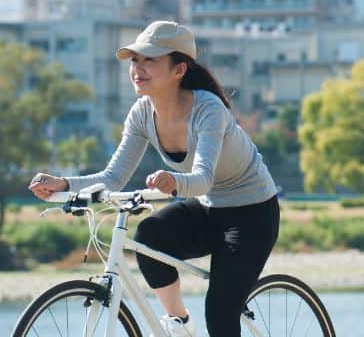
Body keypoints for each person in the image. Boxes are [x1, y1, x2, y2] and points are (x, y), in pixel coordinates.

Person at [28, 21, 280, 337]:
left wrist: (174, 180)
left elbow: (202, 178)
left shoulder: (208, 109)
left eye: (150, 60)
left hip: (252, 213)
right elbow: (113, 177)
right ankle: (179, 323)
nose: (138, 68)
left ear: (179, 70)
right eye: (135, 60)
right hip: (208, 208)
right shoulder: (141, 113)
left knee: (220, 311)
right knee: (149, 235)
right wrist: (64, 184)